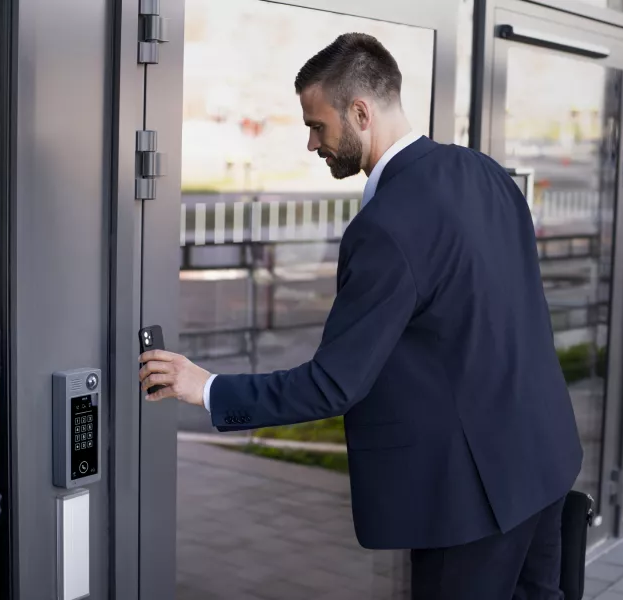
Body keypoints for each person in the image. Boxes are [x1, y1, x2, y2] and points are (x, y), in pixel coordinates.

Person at [139, 33, 583, 599]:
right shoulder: (486, 173)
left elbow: (332, 385)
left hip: (472, 502)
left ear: (360, 112)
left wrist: (207, 388)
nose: (310, 143)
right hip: (544, 460)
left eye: (317, 125)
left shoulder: (386, 227)